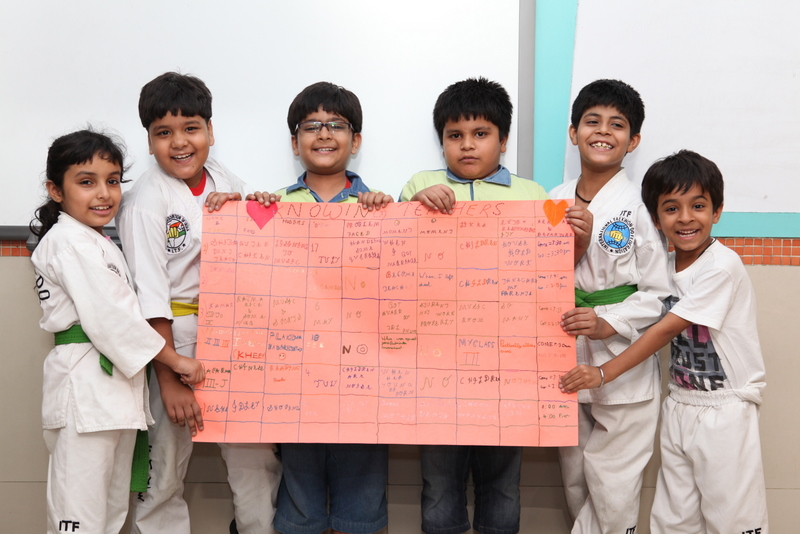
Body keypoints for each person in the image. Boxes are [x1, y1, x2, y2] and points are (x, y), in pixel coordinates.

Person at [560, 150, 769, 534]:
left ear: (717, 211)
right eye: (672, 209)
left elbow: (663, 330)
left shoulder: (721, 266)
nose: (686, 218)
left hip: (725, 409)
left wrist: (603, 373)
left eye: (698, 206)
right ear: (655, 220)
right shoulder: (667, 267)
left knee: (731, 515)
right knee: (673, 518)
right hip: (680, 402)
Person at [116, 72, 281, 534]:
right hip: (174, 340)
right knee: (166, 464)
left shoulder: (223, 178)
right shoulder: (144, 200)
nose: (179, 142)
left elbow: (260, 244)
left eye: (191, 128)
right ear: (149, 141)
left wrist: (258, 204)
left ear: (210, 130)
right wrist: (169, 380)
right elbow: (150, 296)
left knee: (254, 455)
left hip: (235, 336)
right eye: (163, 133)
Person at [30, 130, 205, 534]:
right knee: (80, 515)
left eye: (112, 180)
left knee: (109, 514)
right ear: (56, 190)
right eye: (86, 182)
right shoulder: (68, 242)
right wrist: (176, 361)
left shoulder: (97, 241)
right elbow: (113, 320)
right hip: (85, 392)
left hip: (112, 396)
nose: (103, 193)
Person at [400, 77, 548, 534]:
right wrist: (413, 207)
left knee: (502, 483)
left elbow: (549, 274)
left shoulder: (532, 195)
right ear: (441, 140)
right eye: (455, 135)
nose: (467, 145)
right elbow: (394, 258)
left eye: (481, 134)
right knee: (439, 482)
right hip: (435, 363)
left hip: (509, 364)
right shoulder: (419, 185)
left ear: (503, 140)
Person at [252, 81, 392, 534]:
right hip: (294, 377)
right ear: (295, 143)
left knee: (361, 495)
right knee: (300, 489)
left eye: (337, 125)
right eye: (311, 126)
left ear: (356, 140)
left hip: (364, 377)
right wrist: (235, 211)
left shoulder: (382, 207)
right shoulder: (271, 207)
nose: (325, 134)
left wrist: (391, 215)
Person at [550, 79, 671, 534]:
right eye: (592, 121)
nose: (603, 131)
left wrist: (608, 322)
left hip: (622, 355)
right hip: (563, 346)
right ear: (573, 132)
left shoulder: (640, 206)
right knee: (575, 477)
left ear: (632, 141)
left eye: (617, 125)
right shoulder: (553, 199)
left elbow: (658, 294)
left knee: (613, 481)